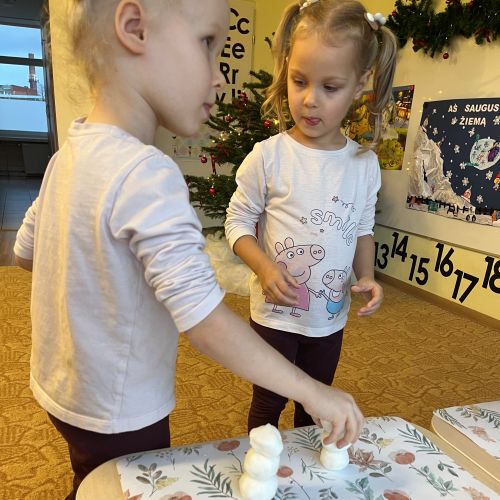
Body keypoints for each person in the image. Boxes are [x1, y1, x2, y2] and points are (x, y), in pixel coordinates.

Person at [13, 0, 364, 497]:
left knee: (92, 479)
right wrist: (312, 391)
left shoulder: (67, 154)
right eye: (207, 43)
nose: (218, 76)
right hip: (120, 408)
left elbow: (26, 254)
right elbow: (205, 321)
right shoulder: (146, 174)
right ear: (135, 29)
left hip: (60, 387)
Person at [225, 0, 397, 432]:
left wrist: (368, 276)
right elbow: (237, 223)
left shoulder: (364, 165)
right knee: (267, 402)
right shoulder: (269, 157)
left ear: (359, 85)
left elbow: (362, 229)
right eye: (299, 81)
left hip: (328, 319)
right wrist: (264, 268)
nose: (309, 100)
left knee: (315, 403)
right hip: (275, 314)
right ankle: (261, 464)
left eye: (330, 87)